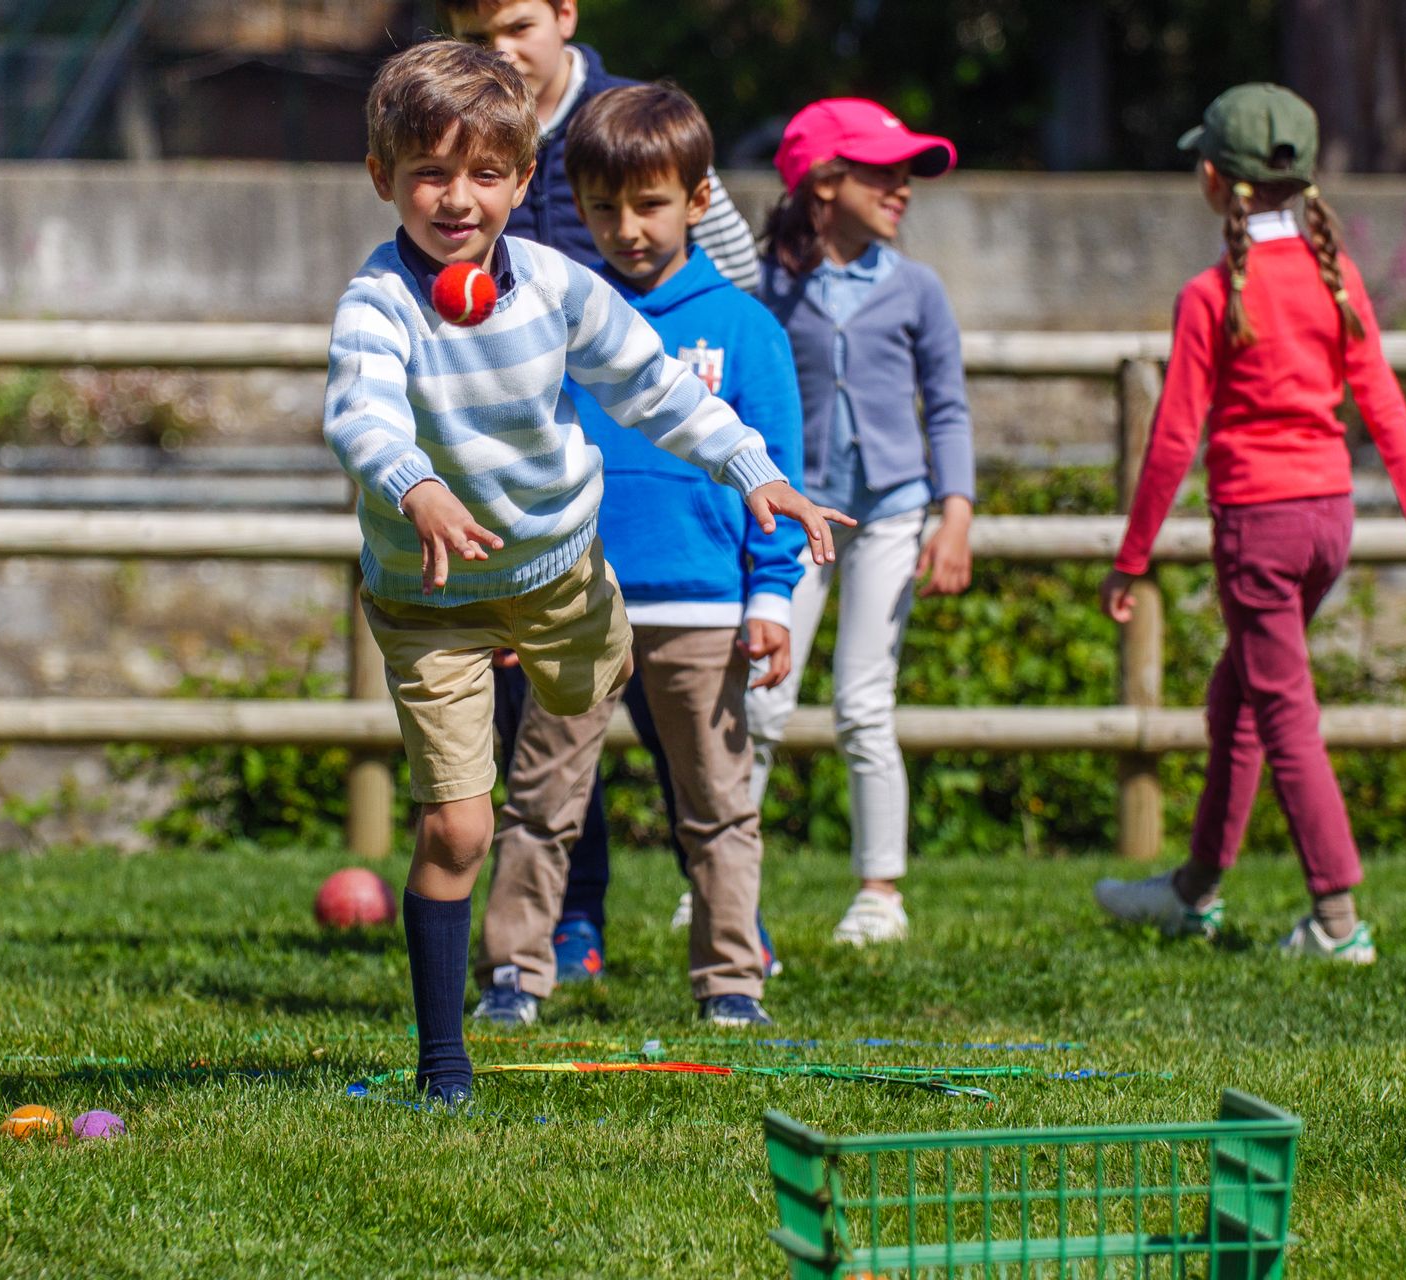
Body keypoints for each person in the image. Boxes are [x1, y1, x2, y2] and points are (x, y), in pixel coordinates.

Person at [323, 40, 844, 1102]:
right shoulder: (378, 302)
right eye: (428, 172)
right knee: (459, 824)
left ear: (522, 180)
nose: (455, 198)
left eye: (482, 174)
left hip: (561, 576)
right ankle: (444, 1059)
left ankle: (577, 652)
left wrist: (754, 471)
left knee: (588, 685)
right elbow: (361, 410)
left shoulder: (558, 285)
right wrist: (413, 482)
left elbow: (655, 387)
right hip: (430, 602)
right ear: (383, 179)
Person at [1093, 84, 1406, 963]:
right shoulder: (1333, 276)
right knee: (1238, 697)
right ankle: (1195, 889)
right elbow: (1380, 398)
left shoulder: (1209, 295)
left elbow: (1171, 441)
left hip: (1258, 532)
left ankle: (1337, 921)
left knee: (1285, 717)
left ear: (1211, 178)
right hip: (1328, 527)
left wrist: (1131, 557)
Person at [471, 83, 806, 1029]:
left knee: (716, 807)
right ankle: (515, 976)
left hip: (704, 613)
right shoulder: (555, 317)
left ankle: (733, 982)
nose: (627, 228)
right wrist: (515, 591)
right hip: (573, 604)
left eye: (650, 203)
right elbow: (523, 463)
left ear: (699, 200)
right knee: (540, 800)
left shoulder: (748, 330)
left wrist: (770, 596)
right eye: (604, 207)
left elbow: (774, 473)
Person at [747, 99, 977, 946]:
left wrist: (955, 514)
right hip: (795, 513)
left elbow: (947, 408)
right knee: (761, 698)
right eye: (885, 172)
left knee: (863, 703)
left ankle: (880, 891)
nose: (903, 188)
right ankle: (723, 878)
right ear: (824, 182)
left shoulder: (918, 288)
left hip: (889, 514)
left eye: (908, 174)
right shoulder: (765, 286)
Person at [439, 0, 759, 290]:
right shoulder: (445, 131)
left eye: (519, 28)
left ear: (565, 15)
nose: (501, 54)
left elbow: (737, 269)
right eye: (477, 39)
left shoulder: (646, 119)